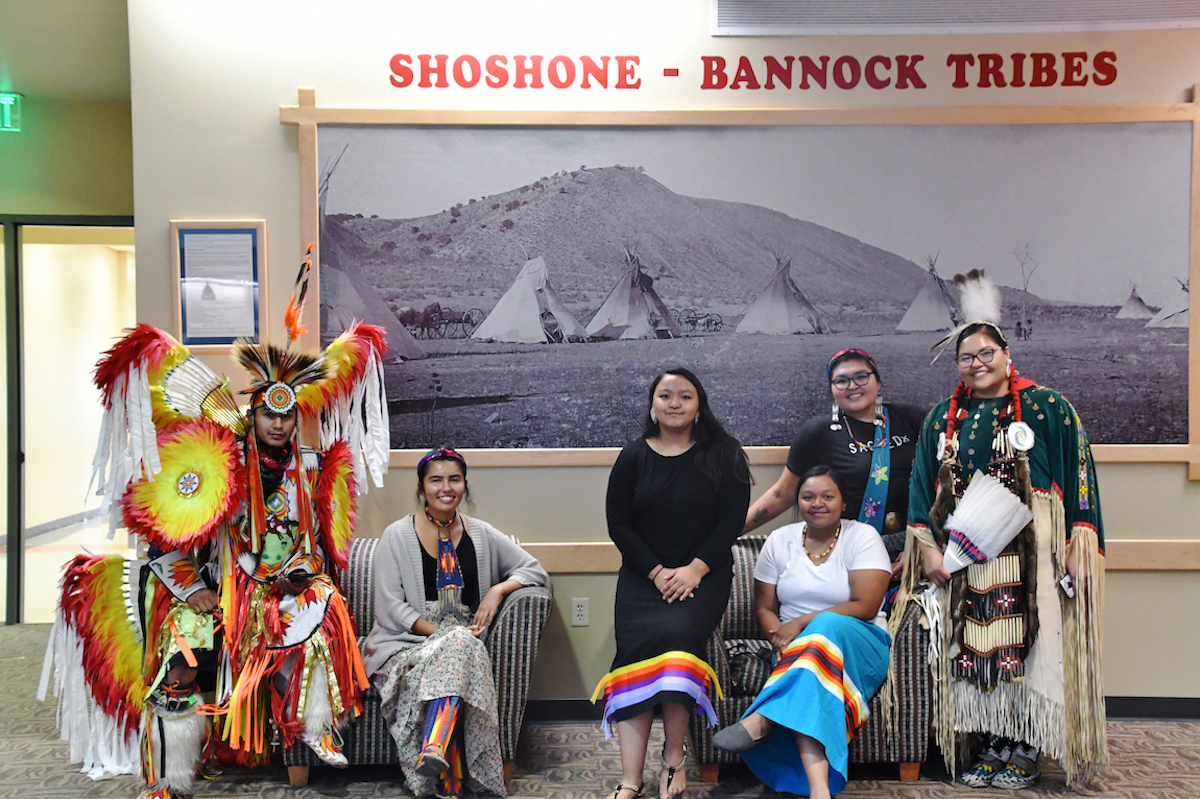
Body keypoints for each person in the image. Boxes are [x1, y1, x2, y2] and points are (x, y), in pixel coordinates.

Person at [899, 272, 1106, 789]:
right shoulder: (941, 420)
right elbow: (921, 487)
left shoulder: (1050, 408)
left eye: (986, 353)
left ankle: (1026, 744)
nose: (977, 363)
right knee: (975, 643)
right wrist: (926, 548)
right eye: (967, 357)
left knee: (1032, 640)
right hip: (967, 557)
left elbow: (1082, 478)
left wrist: (1080, 544)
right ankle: (991, 740)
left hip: (1034, 550)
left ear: (1007, 354)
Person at [592, 368, 751, 799]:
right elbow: (618, 524)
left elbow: (730, 522)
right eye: (666, 395)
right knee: (634, 658)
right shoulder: (632, 456)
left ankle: (673, 761)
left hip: (704, 579)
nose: (675, 403)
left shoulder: (725, 454)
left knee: (679, 644)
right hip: (644, 580)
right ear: (653, 403)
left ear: (699, 404)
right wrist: (657, 572)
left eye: (685, 396)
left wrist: (694, 570)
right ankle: (630, 780)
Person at [363, 447, 549, 799]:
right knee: (464, 648)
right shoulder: (396, 535)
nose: (445, 487)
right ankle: (450, 774)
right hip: (407, 643)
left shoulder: (481, 533)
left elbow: (534, 570)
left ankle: (437, 755)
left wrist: (497, 589)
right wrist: (443, 635)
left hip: (464, 639)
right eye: (436, 480)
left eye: (454, 479)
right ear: (422, 487)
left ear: (465, 485)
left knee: (464, 649)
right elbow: (389, 608)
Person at [712, 466, 892, 799]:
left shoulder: (863, 536)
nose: (817, 503)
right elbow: (764, 608)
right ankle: (819, 790)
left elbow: (866, 606)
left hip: (861, 643)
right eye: (808, 497)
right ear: (798, 501)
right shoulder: (780, 540)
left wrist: (798, 624)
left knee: (825, 627)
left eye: (827, 496)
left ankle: (763, 720)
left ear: (843, 503)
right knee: (811, 671)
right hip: (798, 650)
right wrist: (779, 637)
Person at [744, 349, 926, 567]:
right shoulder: (817, 432)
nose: (852, 385)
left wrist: (921, 549)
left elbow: (942, 483)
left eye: (861, 376)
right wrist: (722, 535)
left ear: (878, 382)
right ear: (832, 390)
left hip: (912, 546)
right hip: (850, 551)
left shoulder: (913, 420)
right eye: (841, 381)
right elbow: (782, 494)